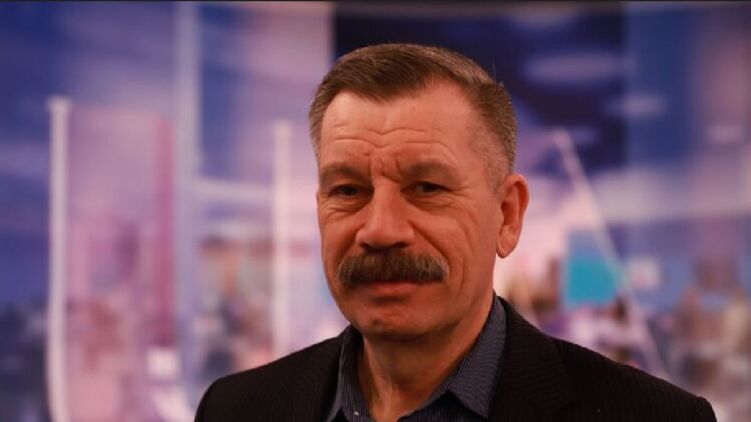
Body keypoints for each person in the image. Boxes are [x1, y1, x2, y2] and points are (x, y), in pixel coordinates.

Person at [195, 43, 716, 422]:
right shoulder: (236, 410)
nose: (380, 230)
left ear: (507, 216)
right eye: (348, 190)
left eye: (426, 188)